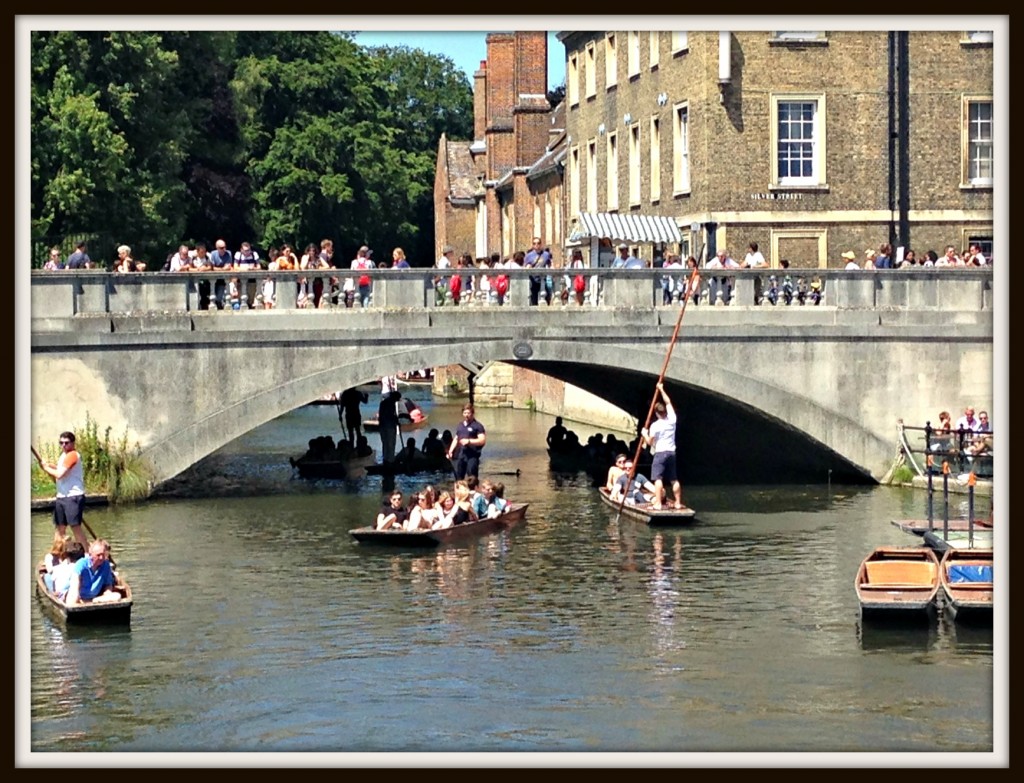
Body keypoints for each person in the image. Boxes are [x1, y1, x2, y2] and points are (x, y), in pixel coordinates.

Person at [37, 431, 90, 548]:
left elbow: (60, 474)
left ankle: (86, 554)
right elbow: (60, 468)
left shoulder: (73, 455)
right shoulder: (63, 456)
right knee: (59, 527)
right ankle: (57, 554)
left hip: (73, 496)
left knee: (75, 527)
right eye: (61, 443)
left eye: (66, 443)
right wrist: (49, 465)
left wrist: (46, 468)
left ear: (73, 443)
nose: (63, 446)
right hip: (62, 496)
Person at [641, 382, 684, 509]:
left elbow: (650, 442)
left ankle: (658, 503)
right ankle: (677, 503)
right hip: (672, 453)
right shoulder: (672, 419)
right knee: (673, 479)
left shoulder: (655, 425)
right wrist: (661, 389)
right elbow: (668, 401)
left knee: (658, 479)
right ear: (665, 410)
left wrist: (644, 434)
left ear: (656, 413)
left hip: (660, 453)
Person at [66, 539, 120, 605]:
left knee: (117, 596)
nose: (101, 558)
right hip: (81, 598)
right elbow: (74, 585)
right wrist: (75, 598)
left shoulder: (106, 564)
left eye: (103, 555)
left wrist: (107, 593)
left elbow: (108, 585)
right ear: (91, 554)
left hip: (96, 598)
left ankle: (94, 601)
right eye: (98, 555)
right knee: (71, 601)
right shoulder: (81, 564)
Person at [448, 404, 486, 480]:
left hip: (472, 456)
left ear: (472, 413)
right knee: (459, 477)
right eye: (465, 413)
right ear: (462, 414)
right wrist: (451, 450)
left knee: (472, 478)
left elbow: (482, 440)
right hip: (461, 455)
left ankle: (473, 490)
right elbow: (456, 438)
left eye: (468, 413)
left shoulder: (477, 426)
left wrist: (469, 441)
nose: (466, 415)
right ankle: (460, 491)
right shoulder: (460, 425)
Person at [378, 390, 402, 464]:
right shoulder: (390, 403)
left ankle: (385, 459)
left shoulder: (383, 402)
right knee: (391, 443)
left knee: (385, 443)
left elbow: (381, 415)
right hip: (389, 425)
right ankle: (390, 460)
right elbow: (390, 415)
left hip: (382, 425)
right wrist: (396, 421)